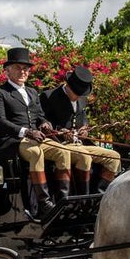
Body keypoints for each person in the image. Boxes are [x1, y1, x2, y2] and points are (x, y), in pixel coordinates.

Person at [0, 47, 71, 217]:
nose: (23, 71)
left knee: (64, 152)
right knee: (35, 153)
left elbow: (40, 116)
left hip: (35, 138)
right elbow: (0, 121)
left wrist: (45, 123)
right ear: (7, 70)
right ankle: (44, 203)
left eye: (25, 68)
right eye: (18, 68)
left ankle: (63, 200)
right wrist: (26, 132)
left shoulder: (32, 92)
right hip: (12, 141)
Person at [40, 65, 121, 194]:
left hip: (80, 144)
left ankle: (99, 196)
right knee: (85, 156)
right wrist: (60, 132)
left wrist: (85, 129)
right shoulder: (48, 96)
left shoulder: (82, 99)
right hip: (60, 145)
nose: (78, 97)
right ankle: (83, 198)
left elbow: (83, 119)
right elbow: (43, 123)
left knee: (114, 157)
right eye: (76, 93)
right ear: (68, 86)